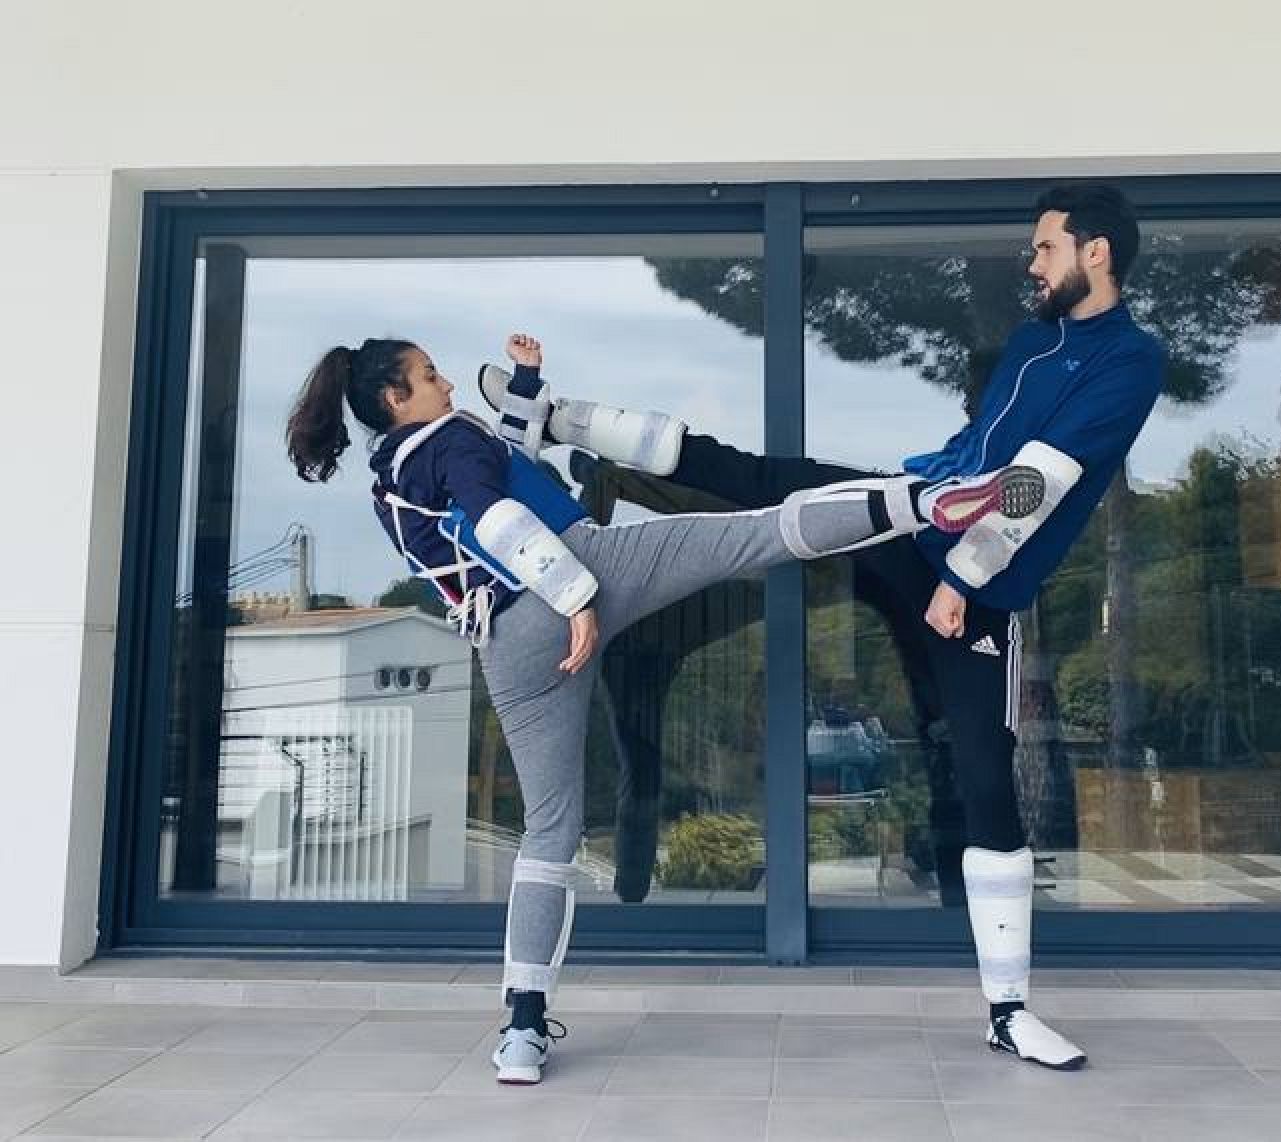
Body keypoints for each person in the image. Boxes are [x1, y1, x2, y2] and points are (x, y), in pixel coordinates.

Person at [480, 183, 1166, 1071]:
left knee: (983, 775)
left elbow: (1041, 480)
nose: (1032, 263)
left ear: (1095, 252)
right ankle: (558, 418)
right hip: (917, 510)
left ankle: (1009, 1012)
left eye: (1045, 248)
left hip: (980, 585)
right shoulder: (1037, 340)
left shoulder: (1131, 362)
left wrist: (962, 580)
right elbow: (982, 451)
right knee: (763, 478)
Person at [285, 331, 1049, 1085]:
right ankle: (928, 501)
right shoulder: (449, 438)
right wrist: (576, 597)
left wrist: (524, 385)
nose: (447, 383)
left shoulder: (392, 478)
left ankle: (522, 1027)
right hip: (584, 569)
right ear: (395, 397)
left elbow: (504, 466)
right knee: (757, 535)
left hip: (507, 644)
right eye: (429, 375)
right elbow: (499, 520)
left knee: (548, 831)